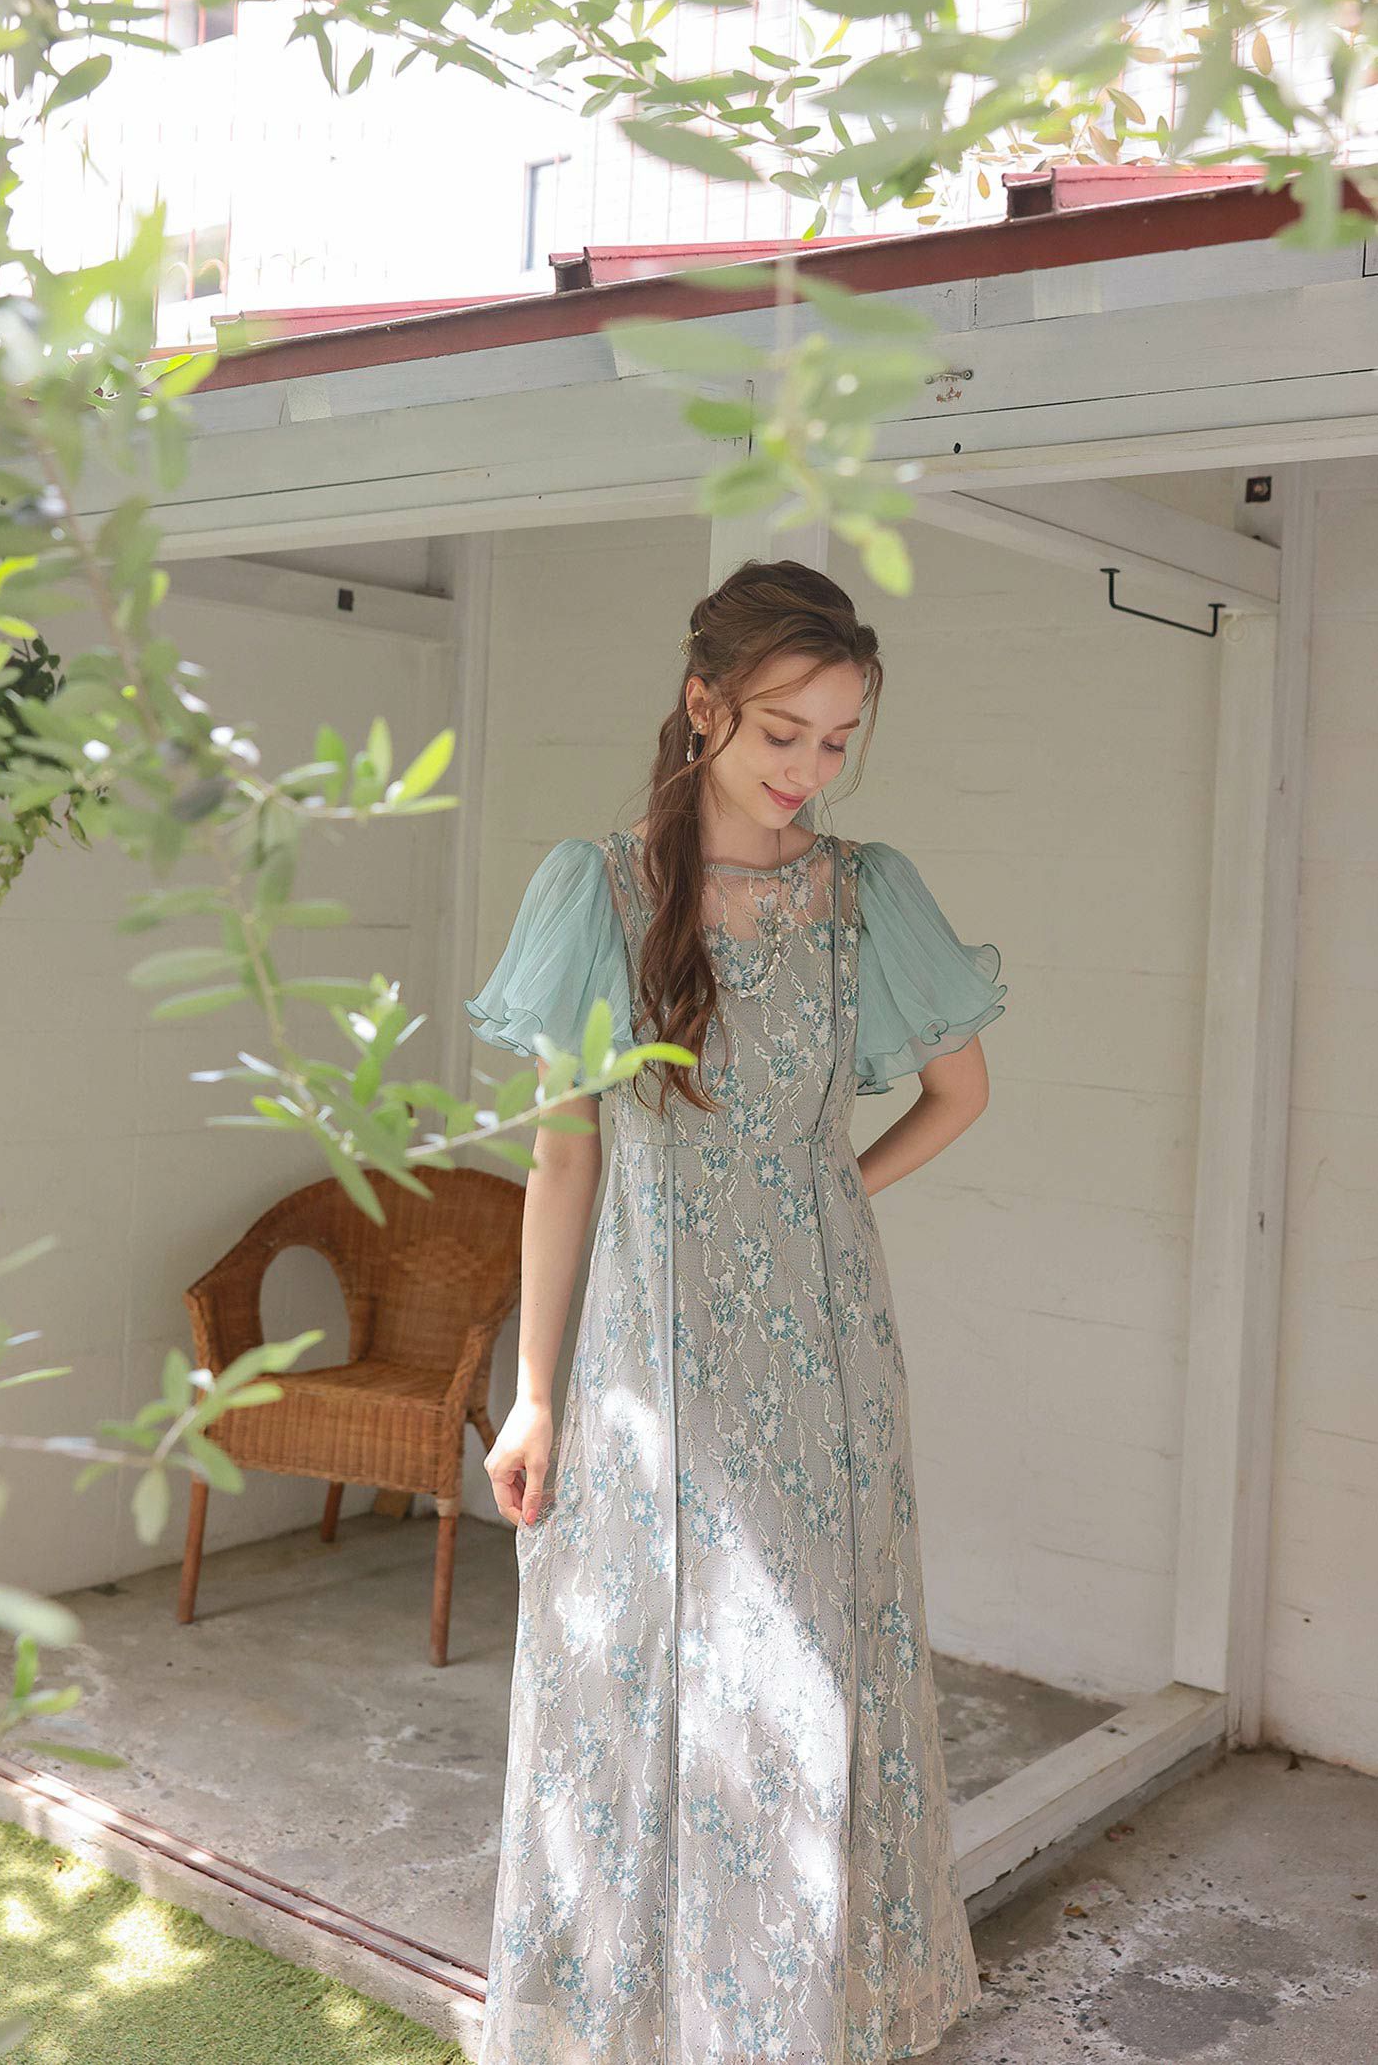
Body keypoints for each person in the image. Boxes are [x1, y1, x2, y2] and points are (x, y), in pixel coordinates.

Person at [463, 558, 1008, 2065]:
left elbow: (961, 1091)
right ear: (702, 705)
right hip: (646, 1363)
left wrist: (825, 1193)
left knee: (805, 1679)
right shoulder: (600, 891)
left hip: (824, 1361)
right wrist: (535, 1391)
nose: (809, 770)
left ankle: (790, 2025)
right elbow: (563, 1155)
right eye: (783, 732)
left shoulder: (864, 893)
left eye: (838, 739)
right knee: (633, 1676)